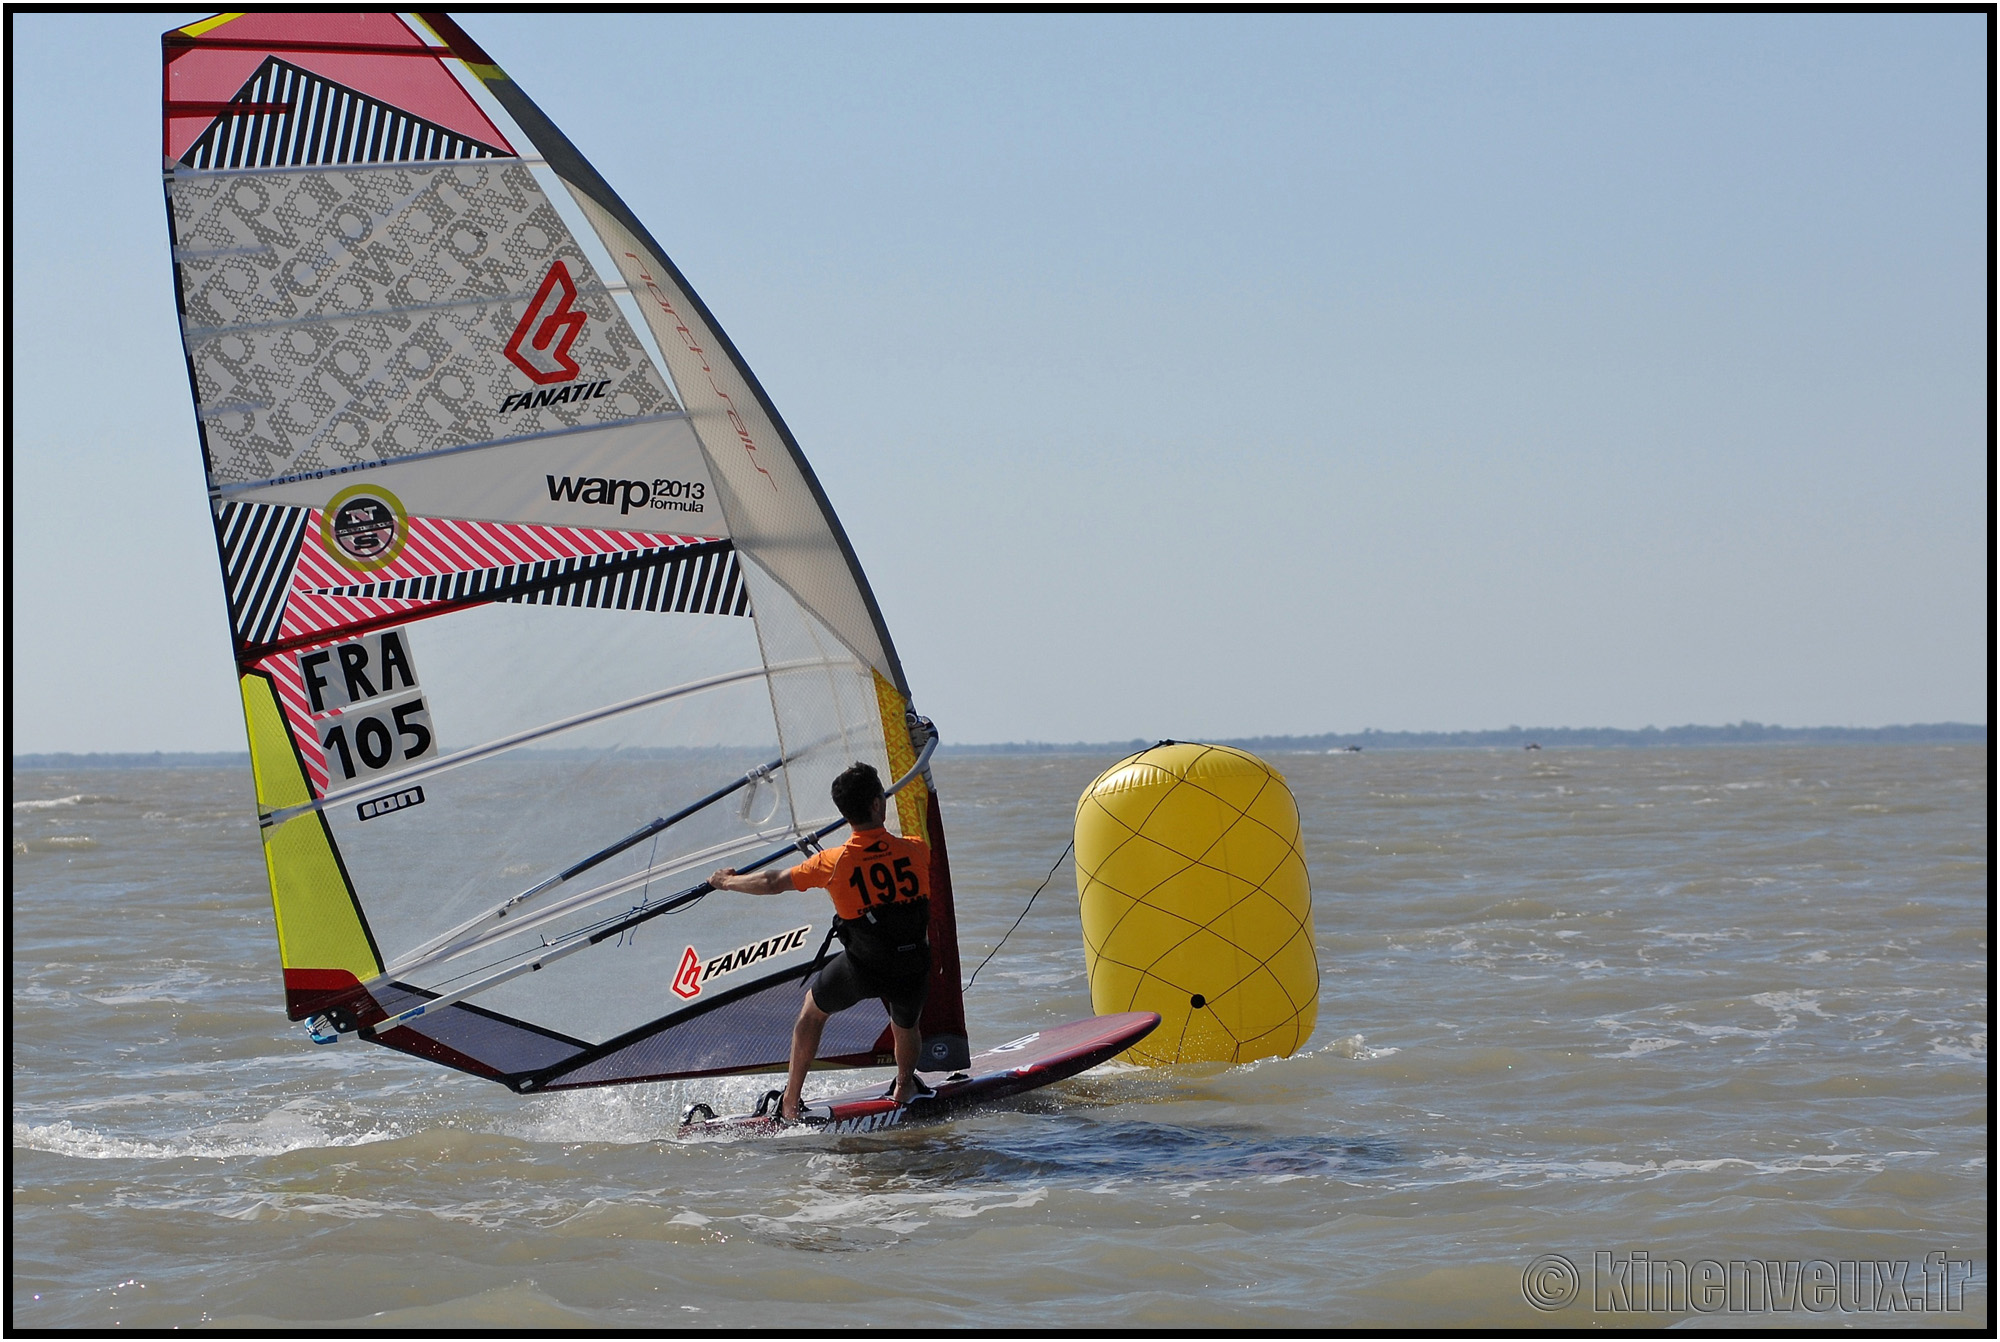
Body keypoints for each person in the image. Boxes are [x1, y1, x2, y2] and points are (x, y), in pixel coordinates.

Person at [710, 762, 934, 1122]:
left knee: (811, 1014)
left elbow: (772, 882)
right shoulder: (918, 850)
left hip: (865, 969)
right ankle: (904, 1085)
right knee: (906, 1023)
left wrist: (725, 882)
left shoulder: (832, 862)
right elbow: (908, 835)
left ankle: (790, 1103)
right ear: (878, 805)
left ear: (845, 813)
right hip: (913, 966)